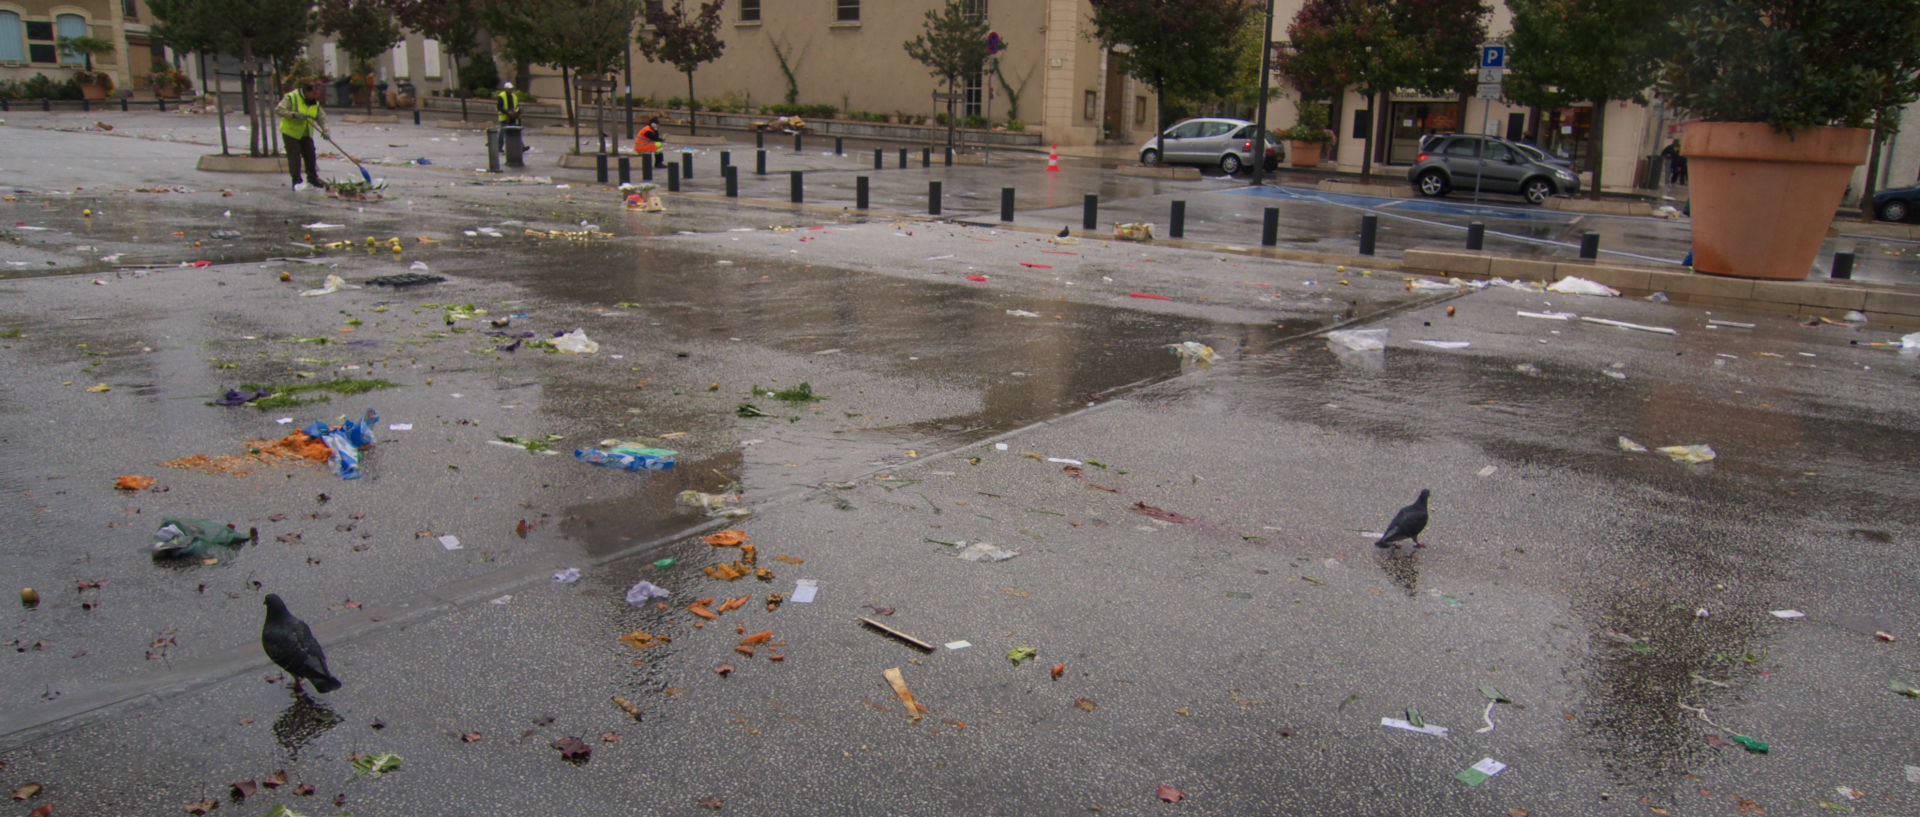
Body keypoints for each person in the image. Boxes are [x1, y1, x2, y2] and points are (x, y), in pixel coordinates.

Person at [275, 79, 330, 191]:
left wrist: (326, 130)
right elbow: (279, 110)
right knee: (294, 157)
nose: (315, 96)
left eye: (316, 94)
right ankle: (296, 181)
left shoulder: (315, 102)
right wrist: (294, 115)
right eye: (313, 93)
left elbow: (321, 117)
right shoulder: (291, 97)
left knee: (310, 155)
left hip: (306, 133)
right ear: (306, 91)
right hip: (291, 132)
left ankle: (312, 179)